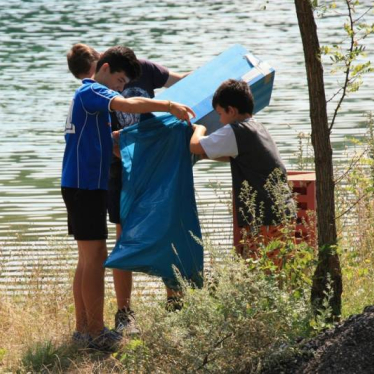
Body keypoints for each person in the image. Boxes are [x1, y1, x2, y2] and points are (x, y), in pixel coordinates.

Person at [62, 45, 194, 351]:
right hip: (85, 186)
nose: (120, 88)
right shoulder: (93, 90)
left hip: (80, 184)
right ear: (104, 67)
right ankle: (96, 333)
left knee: (87, 260)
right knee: (94, 260)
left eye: (123, 84)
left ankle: (83, 330)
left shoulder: (87, 98)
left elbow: (103, 140)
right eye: (120, 80)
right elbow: (129, 104)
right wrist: (168, 105)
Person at [190, 79, 294, 257]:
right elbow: (237, 156)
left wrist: (199, 128)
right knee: (278, 272)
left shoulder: (235, 130)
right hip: (282, 210)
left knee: (264, 271)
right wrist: (206, 153)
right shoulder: (256, 127)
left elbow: (195, 146)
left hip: (265, 216)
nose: (220, 120)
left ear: (231, 110)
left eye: (220, 114)